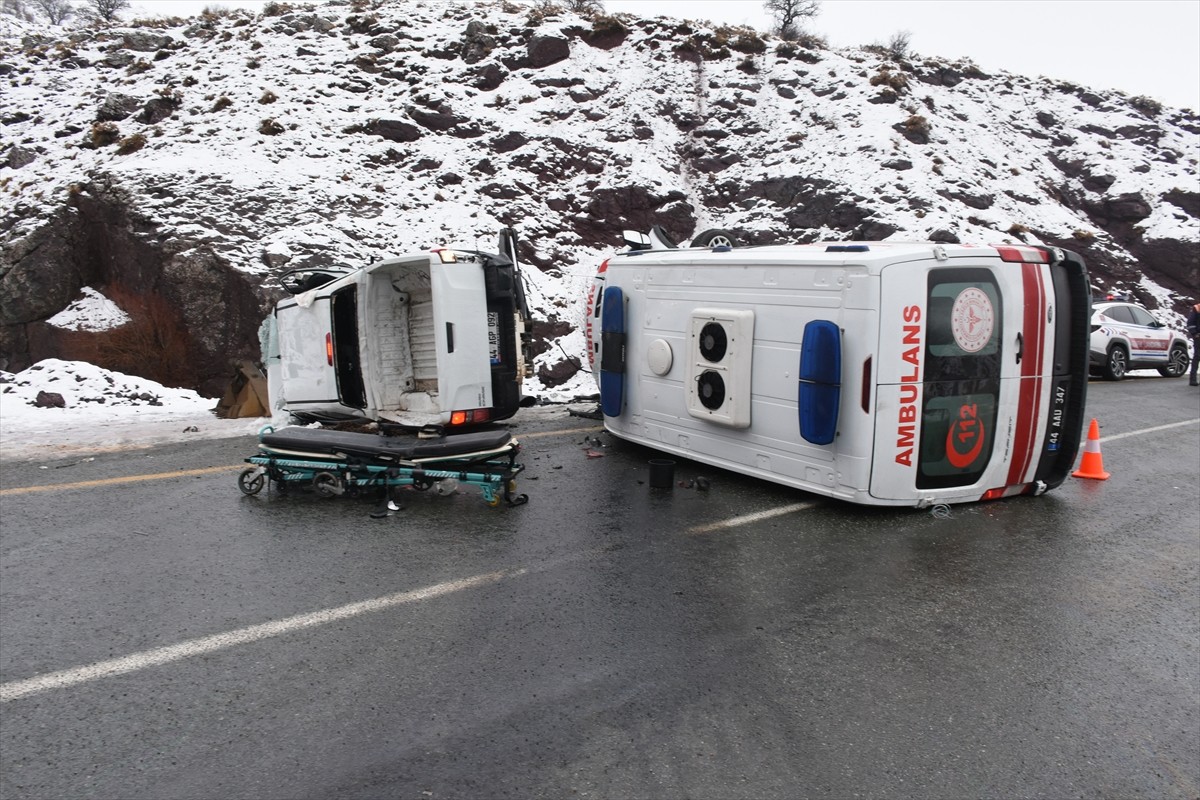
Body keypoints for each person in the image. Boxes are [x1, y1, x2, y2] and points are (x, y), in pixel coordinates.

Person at [1188, 300, 1200, 386]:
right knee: (1197, 356)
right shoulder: (1197, 307)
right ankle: (1193, 379)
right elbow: (1190, 322)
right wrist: (1194, 333)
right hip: (1199, 336)